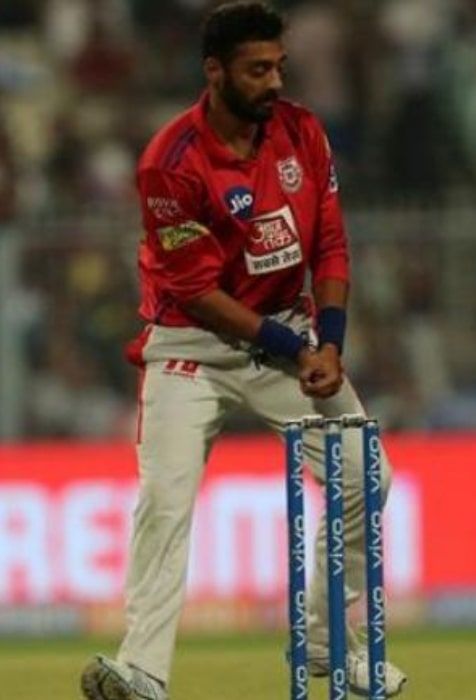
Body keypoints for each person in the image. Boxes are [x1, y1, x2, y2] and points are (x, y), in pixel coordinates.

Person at [80, 3, 408, 699]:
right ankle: (141, 671)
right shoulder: (170, 162)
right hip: (191, 349)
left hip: (290, 336)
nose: (273, 82)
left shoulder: (301, 131)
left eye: (278, 67)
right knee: (165, 501)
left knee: (364, 476)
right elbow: (197, 292)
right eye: (257, 69)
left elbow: (331, 243)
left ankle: (325, 643)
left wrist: (332, 343)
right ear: (215, 71)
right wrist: (298, 346)